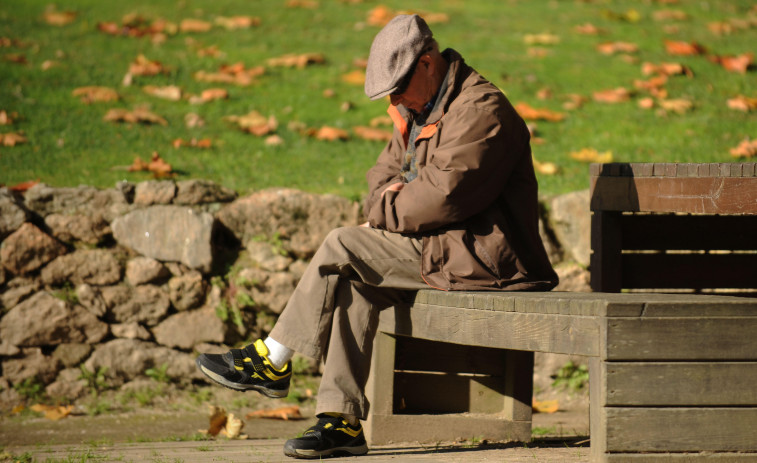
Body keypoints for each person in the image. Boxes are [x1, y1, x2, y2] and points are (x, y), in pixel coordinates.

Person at [196, 14, 558, 459]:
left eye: (398, 86)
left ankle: (271, 359)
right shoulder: (418, 106)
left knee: (342, 244)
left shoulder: (482, 112)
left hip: (490, 262)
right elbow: (381, 178)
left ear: (428, 63)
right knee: (353, 282)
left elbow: (441, 198)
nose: (394, 98)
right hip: (447, 248)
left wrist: (387, 208)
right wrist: (389, 202)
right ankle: (340, 423)